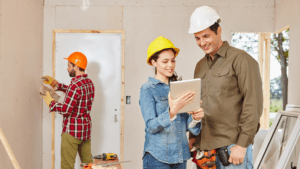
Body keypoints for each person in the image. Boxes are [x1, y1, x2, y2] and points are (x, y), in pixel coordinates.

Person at [188, 6, 263, 169]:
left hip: (231, 149)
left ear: (219, 30)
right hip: (205, 151)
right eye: (197, 38)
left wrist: (242, 145)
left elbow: (253, 103)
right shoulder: (200, 66)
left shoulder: (241, 59)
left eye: (206, 36)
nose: (202, 43)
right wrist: (193, 137)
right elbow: (198, 104)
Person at [140, 36, 204, 169]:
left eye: (173, 60)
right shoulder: (147, 89)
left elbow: (185, 126)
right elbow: (151, 126)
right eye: (165, 61)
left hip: (180, 156)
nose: (170, 65)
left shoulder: (180, 88)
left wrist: (195, 118)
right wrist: (171, 112)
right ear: (153, 62)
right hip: (157, 157)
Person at [41, 52, 95, 169]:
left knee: (67, 167)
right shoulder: (89, 83)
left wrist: (52, 103)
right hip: (85, 131)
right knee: (89, 165)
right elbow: (74, 93)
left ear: (75, 66)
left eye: (69, 66)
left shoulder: (75, 85)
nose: (67, 68)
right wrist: (57, 85)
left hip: (72, 132)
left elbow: (66, 110)